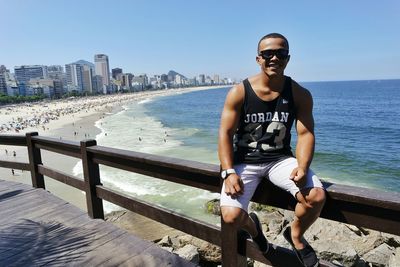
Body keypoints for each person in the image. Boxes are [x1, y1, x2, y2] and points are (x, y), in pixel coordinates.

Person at [218, 33, 326, 267]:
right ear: (258, 59)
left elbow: (306, 133)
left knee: (316, 196)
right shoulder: (240, 92)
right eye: (268, 54)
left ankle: (295, 235)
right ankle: (254, 229)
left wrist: (303, 166)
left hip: (279, 160)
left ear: (288, 58)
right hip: (244, 161)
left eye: (281, 53)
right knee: (231, 217)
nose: (274, 57)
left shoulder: (299, 94)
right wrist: (228, 171)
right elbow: (225, 134)